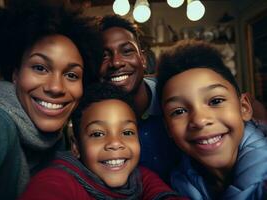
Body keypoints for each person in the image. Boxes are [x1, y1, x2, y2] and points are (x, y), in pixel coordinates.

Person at [0, 1, 103, 199]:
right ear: (15, 74)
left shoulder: (62, 142)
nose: (55, 87)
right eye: (40, 68)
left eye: (72, 75)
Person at [20, 83, 187, 200]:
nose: (115, 143)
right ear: (76, 146)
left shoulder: (139, 177)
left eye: (127, 132)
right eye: (98, 134)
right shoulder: (56, 180)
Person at [156, 39, 267, 199]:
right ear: (168, 128)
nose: (200, 120)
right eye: (179, 111)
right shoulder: (174, 186)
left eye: (215, 101)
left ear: (244, 107)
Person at [98, 14, 180, 182]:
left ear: (142, 60)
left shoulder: (174, 93)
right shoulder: (92, 114)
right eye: (104, 56)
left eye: (127, 51)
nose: (116, 62)